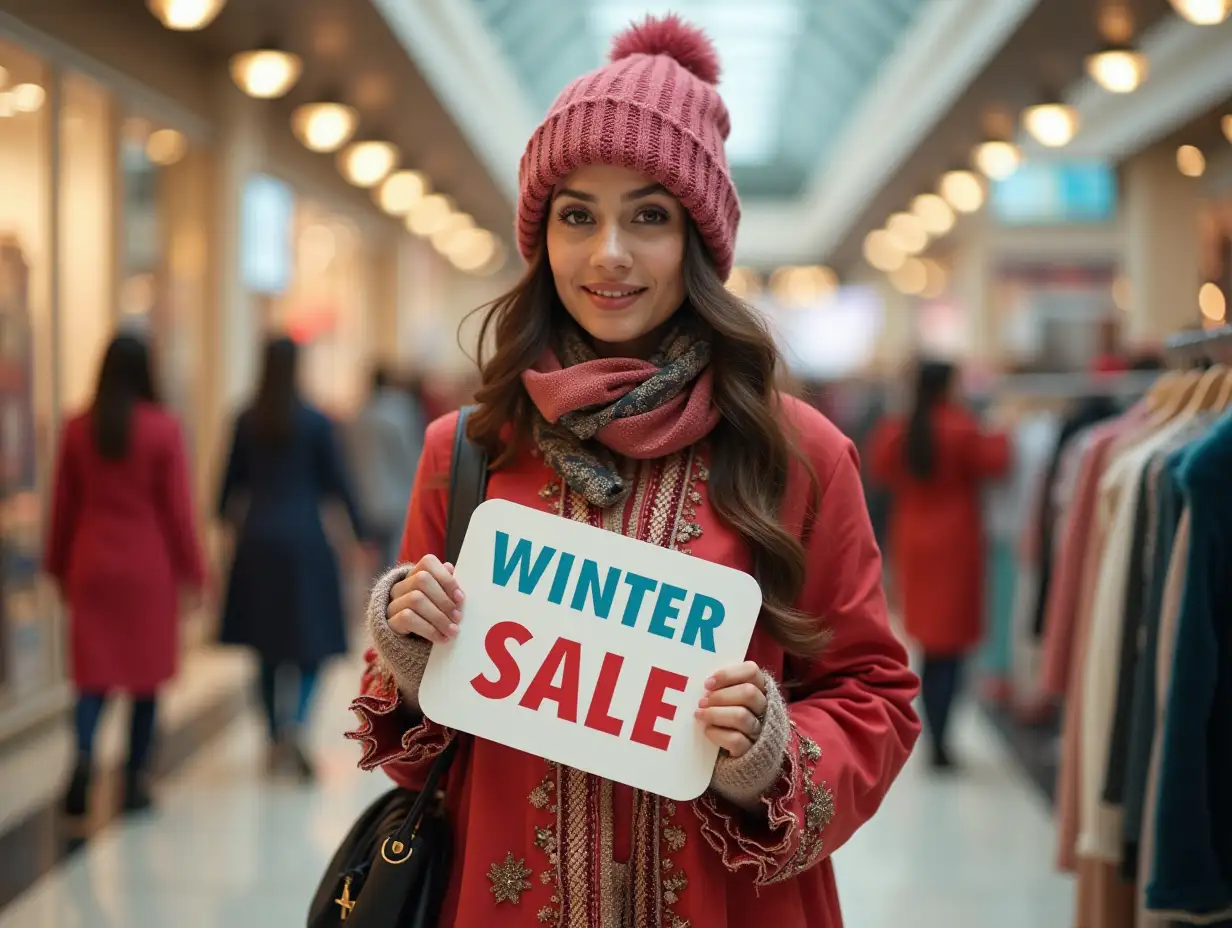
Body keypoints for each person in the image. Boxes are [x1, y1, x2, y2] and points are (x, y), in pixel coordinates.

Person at [348, 16, 920, 926]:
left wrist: (774, 752)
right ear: (542, 239)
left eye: (648, 216)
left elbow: (875, 695)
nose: (608, 253)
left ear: (698, 240)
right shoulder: (467, 451)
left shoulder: (798, 453)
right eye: (578, 214)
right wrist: (412, 657)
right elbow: (418, 754)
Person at [45, 333, 206, 816]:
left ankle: (82, 762)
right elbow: (178, 512)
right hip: (145, 568)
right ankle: (135, 780)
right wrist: (195, 573)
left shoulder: (77, 428)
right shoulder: (162, 429)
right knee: (144, 680)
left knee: (91, 678)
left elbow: (63, 508)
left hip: (90, 562)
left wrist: (56, 566)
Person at [218, 336, 368, 779]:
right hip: (305, 541)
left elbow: (225, 493)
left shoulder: (245, 420)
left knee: (263, 648)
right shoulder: (316, 422)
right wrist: (360, 535)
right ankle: (295, 725)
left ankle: (272, 736)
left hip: (257, 542)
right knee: (312, 645)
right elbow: (339, 485)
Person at [870, 359, 1010, 770]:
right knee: (951, 648)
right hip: (956, 544)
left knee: (931, 643)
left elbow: (878, 469)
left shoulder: (899, 429)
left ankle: (935, 735)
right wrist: (1001, 426)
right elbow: (997, 462)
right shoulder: (963, 427)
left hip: (914, 542)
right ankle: (942, 737)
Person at [348, 366, 425, 568]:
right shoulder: (399, 412)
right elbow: (410, 454)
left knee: (373, 558)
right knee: (394, 559)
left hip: (366, 496)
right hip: (397, 497)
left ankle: (373, 595)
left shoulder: (360, 414)